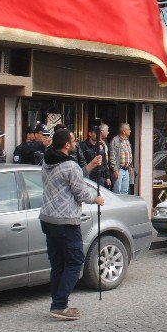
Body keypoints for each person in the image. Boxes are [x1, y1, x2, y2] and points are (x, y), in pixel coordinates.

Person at [40, 128, 105, 320]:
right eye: (73, 141)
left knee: (58, 262)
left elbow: (69, 178)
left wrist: (91, 165)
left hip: (47, 218)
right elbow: (81, 192)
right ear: (67, 145)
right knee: (75, 261)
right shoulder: (70, 165)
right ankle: (60, 304)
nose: (76, 143)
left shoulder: (47, 160)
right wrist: (96, 199)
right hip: (66, 220)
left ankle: (57, 303)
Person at [79, 123, 111, 188]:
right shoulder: (82, 146)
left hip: (100, 177)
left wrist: (107, 176)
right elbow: (81, 162)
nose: (98, 135)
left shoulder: (101, 145)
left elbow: (104, 162)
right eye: (96, 133)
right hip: (89, 177)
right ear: (90, 134)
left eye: (99, 133)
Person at [109, 122, 134, 194]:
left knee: (125, 191)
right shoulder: (115, 141)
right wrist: (115, 169)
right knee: (117, 191)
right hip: (119, 169)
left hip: (126, 170)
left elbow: (129, 154)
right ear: (124, 131)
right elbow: (112, 156)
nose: (130, 131)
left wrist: (130, 166)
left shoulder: (127, 140)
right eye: (128, 129)